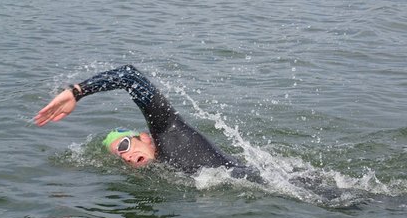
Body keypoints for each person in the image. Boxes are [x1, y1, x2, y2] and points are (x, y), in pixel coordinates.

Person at [35, 64, 256, 179]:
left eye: (124, 145)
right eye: (120, 156)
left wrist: (77, 92)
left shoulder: (170, 134)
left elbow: (130, 76)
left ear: (145, 138)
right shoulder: (164, 168)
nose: (127, 157)